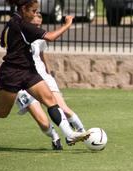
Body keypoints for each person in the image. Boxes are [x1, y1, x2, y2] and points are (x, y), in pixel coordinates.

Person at [0, 0, 90, 146]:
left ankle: (70, 135)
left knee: (50, 101)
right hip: (11, 74)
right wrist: (67, 24)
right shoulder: (23, 25)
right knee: (2, 112)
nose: (35, 14)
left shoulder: (12, 22)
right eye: (33, 11)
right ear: (24, 9)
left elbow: (2, 40)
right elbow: (51, 37)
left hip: (28, 72)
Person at [15, 13, 86, 150]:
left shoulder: (40, 37)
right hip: (22, 79)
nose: (37, 21)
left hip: (41, 77)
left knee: (63, 108)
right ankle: (54, 136)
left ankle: (83, 133)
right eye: (35, 14)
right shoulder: (15, 30)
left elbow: (41, 56)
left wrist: (48, 73)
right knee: (43, 122)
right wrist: (67, 24)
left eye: (39, 19)